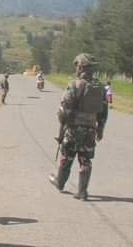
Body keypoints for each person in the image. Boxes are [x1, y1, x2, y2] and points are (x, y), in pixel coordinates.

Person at [49, 53, 108, 200]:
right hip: (90, 130)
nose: (76, 68)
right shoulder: (100, 87)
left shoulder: (75, 85)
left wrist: (62, 128)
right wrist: (100, 128)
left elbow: (64, 110)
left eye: (77, 66)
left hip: (73, 129)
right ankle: (82, 191)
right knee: (86, 159)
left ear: (81, 67)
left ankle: (60, 182)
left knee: (67, 157)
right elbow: (104, 111)